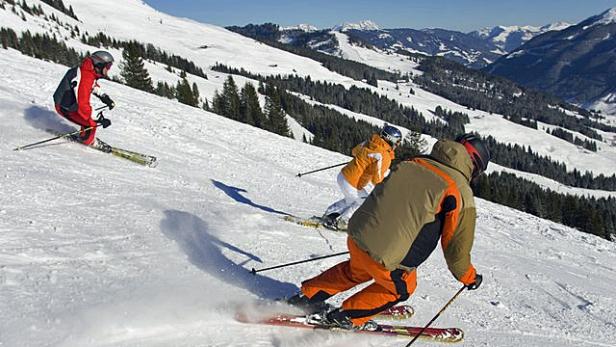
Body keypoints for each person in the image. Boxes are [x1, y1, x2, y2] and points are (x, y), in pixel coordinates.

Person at [288, 133, 491, 330]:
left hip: (358, 235)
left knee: (355, 271)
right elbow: (456, 248)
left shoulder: (413, 162)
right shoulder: (459, 190)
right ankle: (345, 317)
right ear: (474, 165)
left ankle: (306, 297)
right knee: (400, 288)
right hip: (389, 259)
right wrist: (469, 278)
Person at [321, 125, 402, 231]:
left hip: (344, 175)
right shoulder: (384, 156)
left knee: (351, 200)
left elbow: (354, 151)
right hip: (352, 181)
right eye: (398, 141)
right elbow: (376, 179)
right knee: (364, 202)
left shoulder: (369, 142)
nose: (398, 145)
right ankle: (343, 221)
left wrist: (365, 158)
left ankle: (329, 214)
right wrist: (383, 188)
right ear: (391, 139)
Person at [53, 50, 116, 151]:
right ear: (99, 64)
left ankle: (85, 135)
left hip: (67, 104)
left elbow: (91, 85)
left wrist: (104, 97)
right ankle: (88, 141)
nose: (107, 70)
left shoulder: (87, 71)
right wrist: (100, 118)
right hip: (65, 107)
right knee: (91, 123)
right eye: (107, 67)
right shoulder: (85, 76)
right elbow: (83, 105)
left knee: (89, 119)